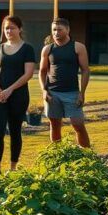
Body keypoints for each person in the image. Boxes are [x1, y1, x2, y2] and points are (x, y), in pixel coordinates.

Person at [0, 16, 36, 173]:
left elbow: (28, 74)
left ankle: (13, 168)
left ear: (20, 29)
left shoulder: (27, 49)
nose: (9, 31)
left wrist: (10, 89)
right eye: (6, 28)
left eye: (12, 27)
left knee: (15, 131)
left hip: (19, 96)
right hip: (0, 96)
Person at [40, 17, 91, 148]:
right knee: (55, 126)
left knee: (78, 125)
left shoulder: (78, 47)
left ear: (67, 30)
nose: (56, 33)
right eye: (54, 30)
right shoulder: (47, 49)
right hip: (53, 94)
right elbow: (42, 71)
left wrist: (82, 93)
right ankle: (58, 154)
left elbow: (85, 70)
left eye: (59, 30)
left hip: (72, 93)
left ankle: (87, 154)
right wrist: (44, 91)